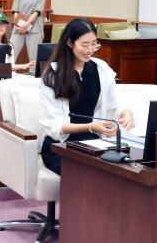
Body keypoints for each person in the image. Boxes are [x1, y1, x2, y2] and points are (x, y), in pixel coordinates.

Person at [38, 18, 133, 175]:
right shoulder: (53, 74)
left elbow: (115, 106)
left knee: (121, 172)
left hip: (93, 143)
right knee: (87, 175)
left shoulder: (101, 70)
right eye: (84, 45)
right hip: (60, 146)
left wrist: (126, 113)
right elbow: (54, 125)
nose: (90, 50)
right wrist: (90, 126)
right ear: (70, 43)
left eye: (94, 44)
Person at [10, 0, 46, 74]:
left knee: (33, 57)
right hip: (18, 27)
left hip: (34, 28)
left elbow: (37, 11)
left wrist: (27, 24)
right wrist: (17, 25)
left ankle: (32, 76)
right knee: (10, 52)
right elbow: (15, 10)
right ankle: (6, 73)